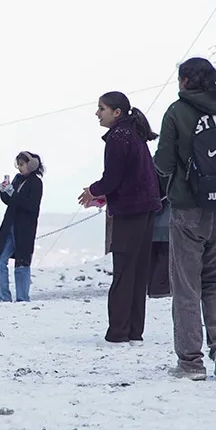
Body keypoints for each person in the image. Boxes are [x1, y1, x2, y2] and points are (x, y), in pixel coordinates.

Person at [153, 57, 216, 380]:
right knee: (214, 282)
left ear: (184, 81)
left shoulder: (176, 112)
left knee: (186, 286)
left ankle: (190, 362)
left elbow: (164, 163)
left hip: (189, 210)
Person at [79, 92, 162, 343]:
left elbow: (113, 177)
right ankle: (134, 331)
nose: (97, 113)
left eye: (101, 108)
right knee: (137, 272)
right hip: (146, 208)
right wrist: (105, 196)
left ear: (117, 112)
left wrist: (93, 191)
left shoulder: (118, 136)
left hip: (130, 211)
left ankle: (118, 332)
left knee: (124, 271)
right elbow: (131, 176)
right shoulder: (134, 133)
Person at [0, 151, 44, 302]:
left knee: (22, 263)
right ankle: (1, 297)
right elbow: (11, 200)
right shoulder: (18, 179)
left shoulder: (36, 183)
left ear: (31, 165)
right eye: (18, 164)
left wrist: (13, 193)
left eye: (22, 164)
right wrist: (4, 192)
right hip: (10, 224)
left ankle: (22, 298)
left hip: (24, 228)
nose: (19, 168)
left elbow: (31, 205)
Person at [148, 198, 171, 298]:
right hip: (166, 222)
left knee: (153, 257)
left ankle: (151, 287)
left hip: (151, 222)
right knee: (165, 257)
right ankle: (160, 288)